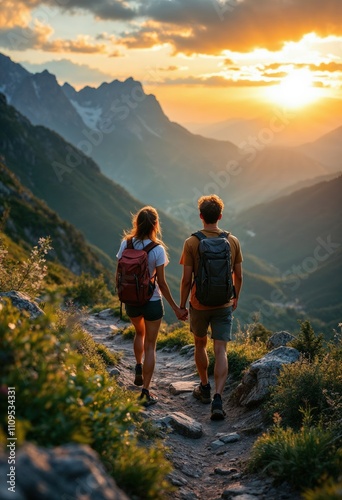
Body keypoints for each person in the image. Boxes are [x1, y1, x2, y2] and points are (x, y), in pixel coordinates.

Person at [179, 194, 243, 420]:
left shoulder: (191, 242)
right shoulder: (232, 241)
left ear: (200, 216)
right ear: (220, 216)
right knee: (221, 349)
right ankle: (218, 397)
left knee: (200, 343)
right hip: (224, 302)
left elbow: (186, 280)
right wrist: (235, 298)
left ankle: (204, 388)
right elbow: (239, 276)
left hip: (199, 302)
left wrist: (181, 306)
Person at [117, 206, 187, 406]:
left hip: (131, 300)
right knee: (151, 345)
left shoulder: (126, 243)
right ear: (155, 225)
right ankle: (145, 391)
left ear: (136, 223)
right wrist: (175, 307)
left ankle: (138, 366)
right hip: (152, 302)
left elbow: (119, 274)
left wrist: (124, 294)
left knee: (139, 334)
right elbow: (162, 284)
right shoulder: (157, 249)